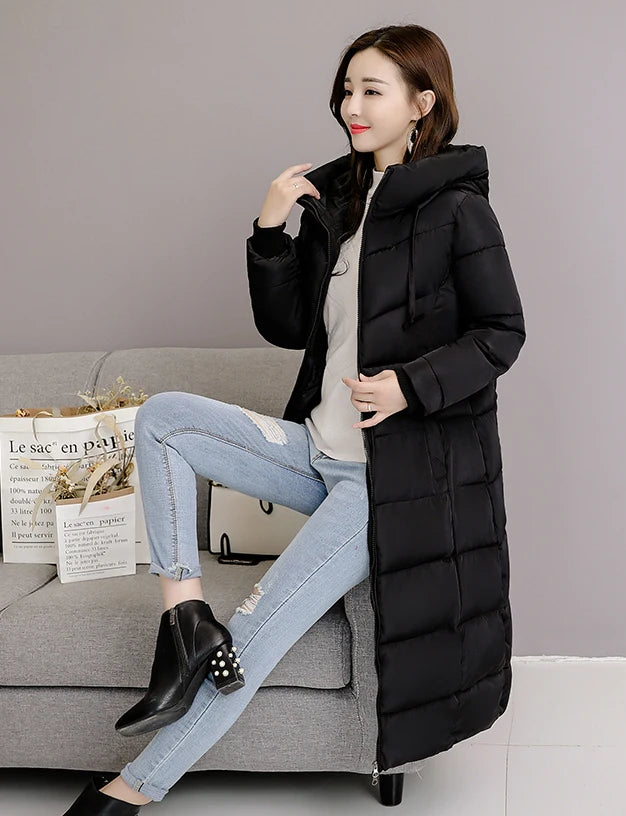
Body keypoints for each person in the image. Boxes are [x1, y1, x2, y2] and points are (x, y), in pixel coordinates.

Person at [62, 22, 525, 814]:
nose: (352, 106)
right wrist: (270, 229)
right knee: (165, 419)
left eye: (372, 90)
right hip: (315, 449)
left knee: (254, 637)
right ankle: (186, 620)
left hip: (386, 481)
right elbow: (288, 327)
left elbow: (502, 332)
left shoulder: (457, 211)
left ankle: (126, 794)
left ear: (422, 103)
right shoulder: (342, 203)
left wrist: (411, 386)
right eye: (346, 90)